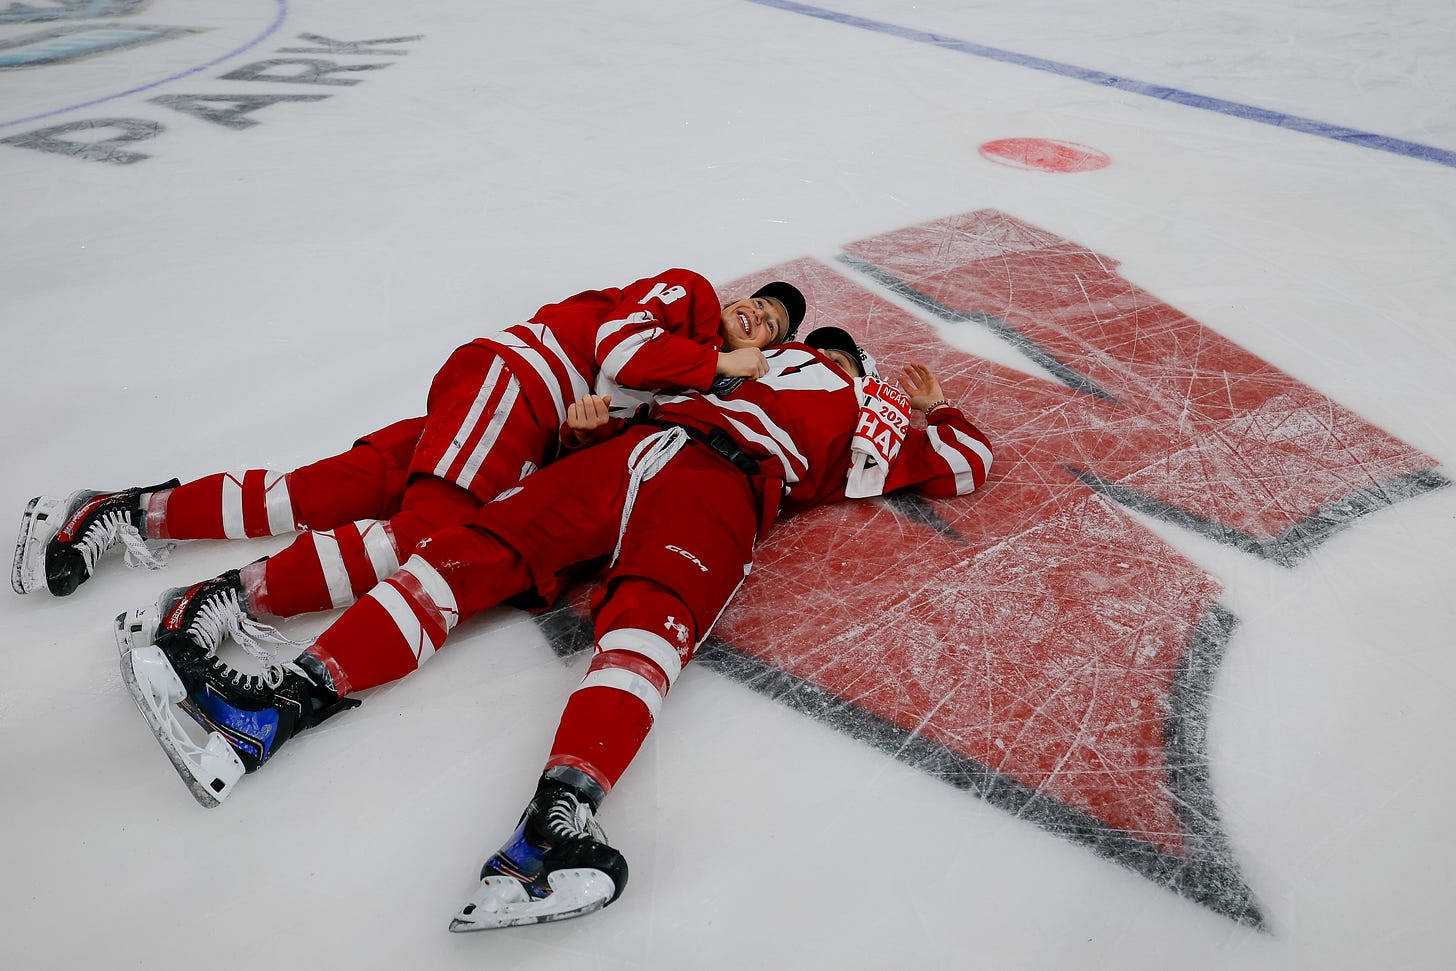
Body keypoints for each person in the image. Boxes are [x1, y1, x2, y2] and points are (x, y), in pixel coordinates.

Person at [120, 326, 993, 929]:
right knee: (468, 554)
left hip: (724, 486)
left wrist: (934, 410)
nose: (820, 352)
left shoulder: (862, 413)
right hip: (636, 450)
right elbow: (638, 379)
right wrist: (594, 427)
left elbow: (965, 461)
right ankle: (270, 710)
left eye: (834, 349)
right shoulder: (736, 372)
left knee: (647, 629)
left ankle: (552, 831)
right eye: (816, 345)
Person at [12, 271, 805, 647]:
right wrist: (719, 365)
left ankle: (120, 509)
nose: (752, 315)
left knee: (315, 493)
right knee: (433, 534)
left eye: (765, 326)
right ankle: (218, 603)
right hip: (512, 387)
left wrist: (589, 429)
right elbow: (616, 343)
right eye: (757, 301)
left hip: (512, 421)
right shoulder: (692, 301)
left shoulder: (682, 381)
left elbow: (591, 422)